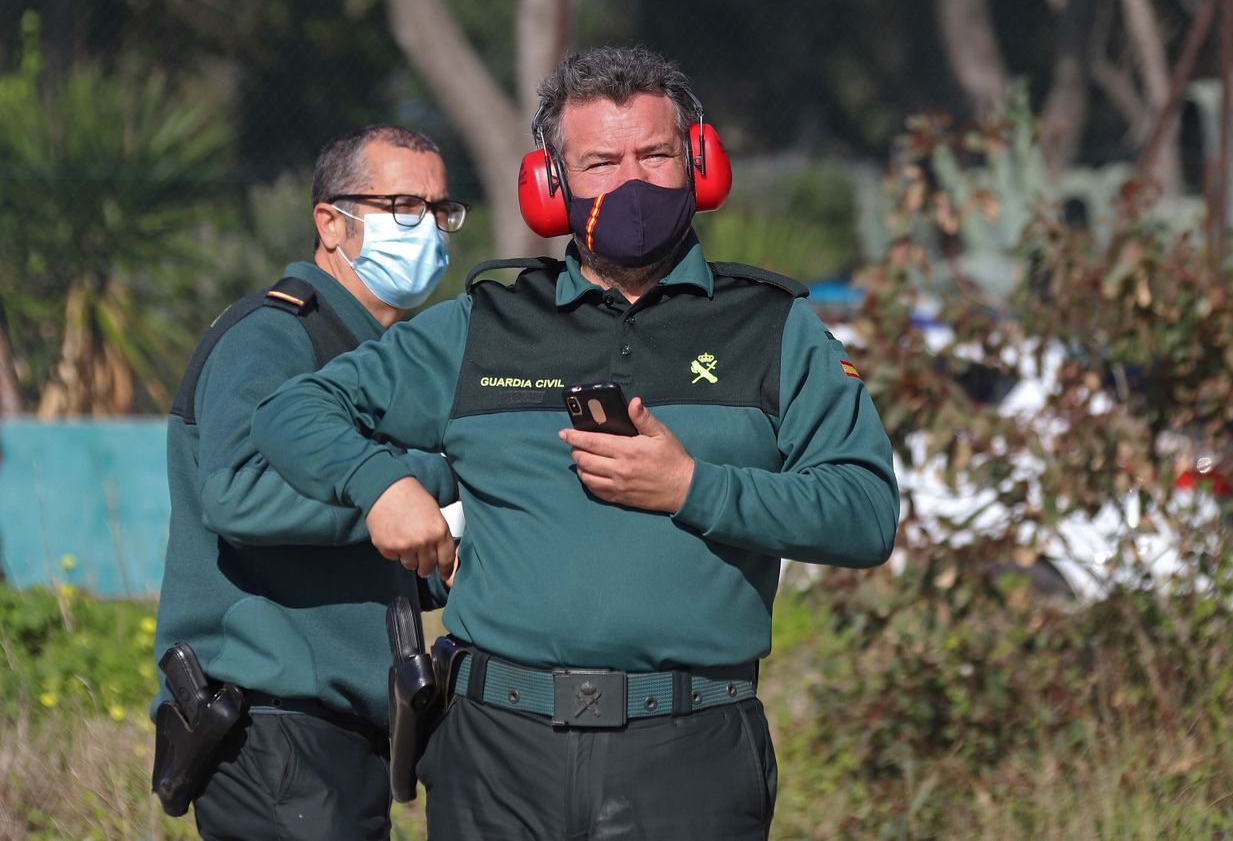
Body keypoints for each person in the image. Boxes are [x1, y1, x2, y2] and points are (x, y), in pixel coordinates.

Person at [251, 46, 900, 839]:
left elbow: (865, 512)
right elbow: (294, 410)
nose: (632, 181)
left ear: (699, 163)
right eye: (598, 161)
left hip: (690, 749)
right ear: (551, 186)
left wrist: (694, 486)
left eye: (655, 154)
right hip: (495, 751)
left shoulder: (772, 327)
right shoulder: (484, 326)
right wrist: (379, 484)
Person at [152, 124, 467, 839]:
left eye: (441, 210)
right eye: (402, 206)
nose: (429, 230)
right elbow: (235, 490)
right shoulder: (276, 335)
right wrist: (414, 482)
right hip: (274, 729)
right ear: (330, 220)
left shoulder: (376, 355)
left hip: (341, 735)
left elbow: (356, 545)